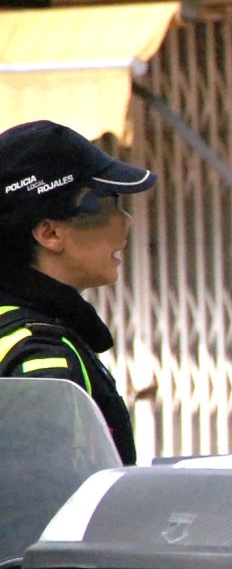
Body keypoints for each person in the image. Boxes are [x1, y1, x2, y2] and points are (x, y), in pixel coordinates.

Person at [0, 120, 155, 465]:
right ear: (50, 233)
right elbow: (48, 492)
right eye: (107, 204)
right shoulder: (41, 358)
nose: (126, 221)